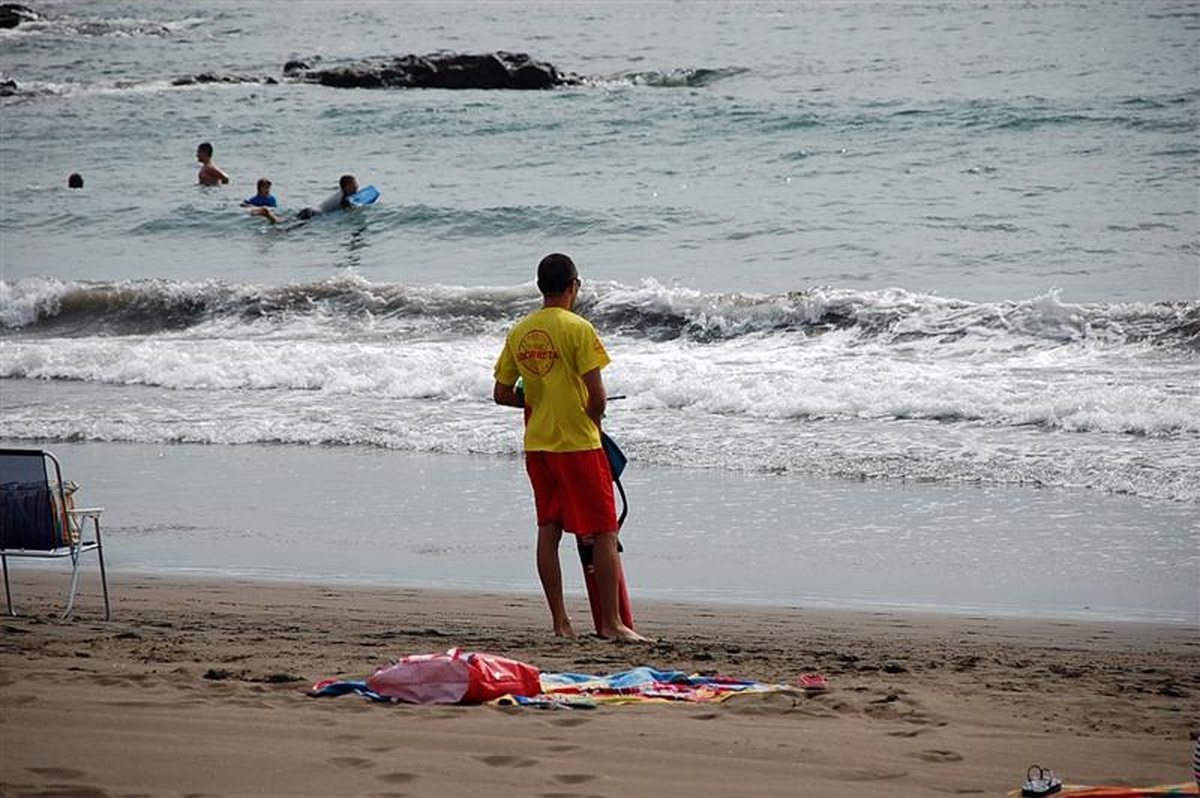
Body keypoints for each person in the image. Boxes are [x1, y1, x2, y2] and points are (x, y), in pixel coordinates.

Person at [493, 253, 648, 641]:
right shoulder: (579, 329)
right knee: (605, 531)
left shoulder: (520, 332)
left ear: (541, 287)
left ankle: (561, 622)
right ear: (572, 286)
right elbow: (597, 396)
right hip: (578, 445)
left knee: (549, 529)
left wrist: (538, 403)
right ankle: (612, 624)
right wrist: (595, 420)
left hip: (539, 447)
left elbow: (501, 394)